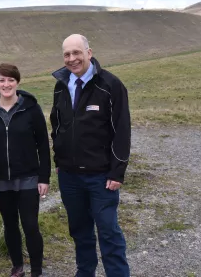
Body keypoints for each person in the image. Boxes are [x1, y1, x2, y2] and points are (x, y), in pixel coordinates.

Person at [50, 34, 131, 277]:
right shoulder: (61, 86)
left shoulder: (110, 85)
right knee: (79, 230)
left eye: (77, 53)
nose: (72, 59)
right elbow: (57, 125)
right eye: (67, 54)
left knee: (108, 231)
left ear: (89, 53)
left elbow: (122, 130)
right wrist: (59, 160)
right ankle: (85, 272)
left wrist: (117, 171)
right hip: (69, 177)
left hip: (101, 177)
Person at [0, 63, 51, 277]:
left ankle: (36, 271)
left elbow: (43, 145)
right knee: (10, 225)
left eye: (10, 80)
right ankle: (17, 267)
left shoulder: (31, 108)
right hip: (0, 180)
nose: (6, 84)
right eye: (2, 80)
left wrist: (44, 177)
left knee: (30, 225)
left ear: (17, 82)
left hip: (28, 177)